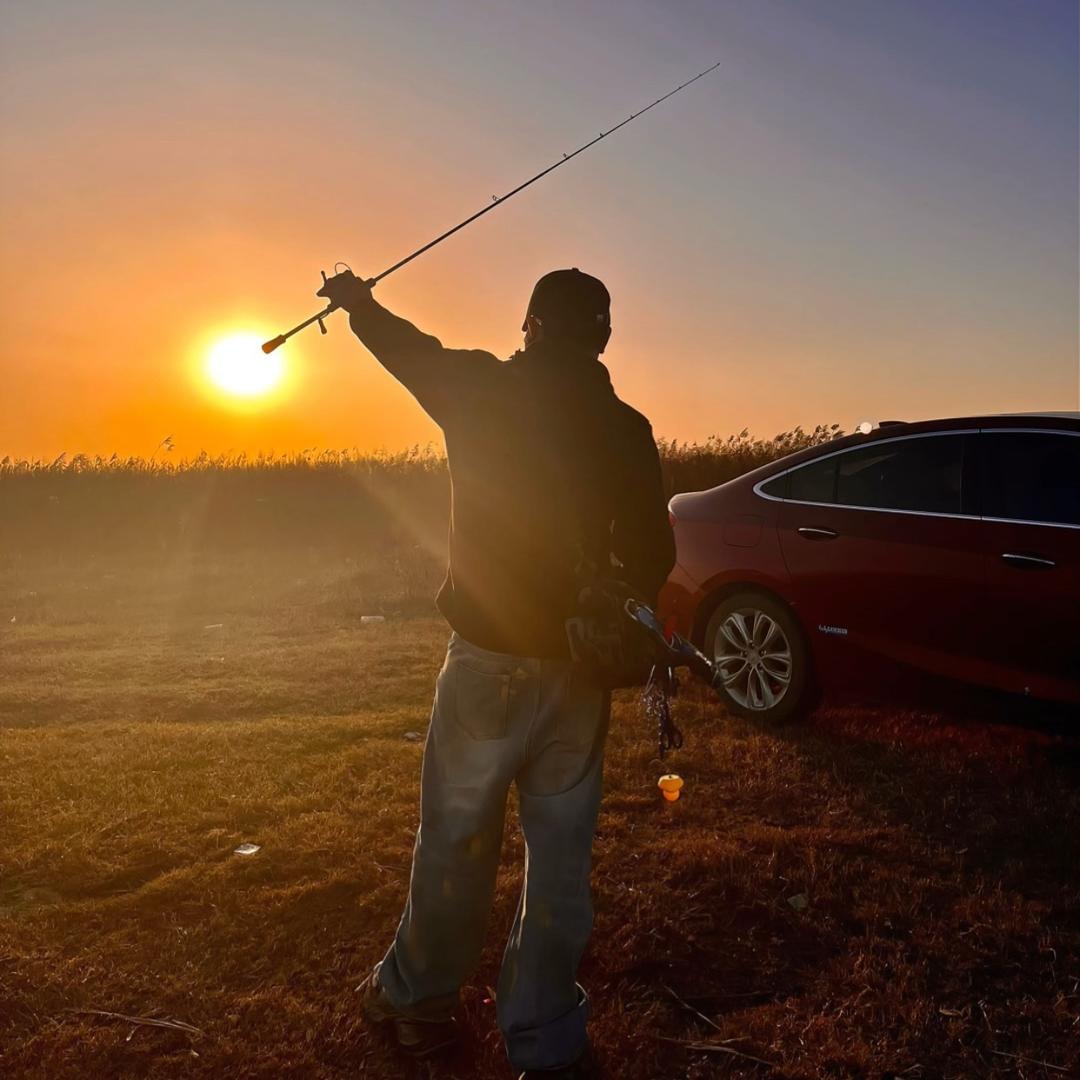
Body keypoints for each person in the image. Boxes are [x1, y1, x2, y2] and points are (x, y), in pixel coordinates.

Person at [317, 267, 675, 1079]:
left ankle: (417, 1007)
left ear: (531, 326)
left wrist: (359, 303)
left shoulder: (480, 389)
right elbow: (655, 552)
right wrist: (616, 600)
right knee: (561, 858)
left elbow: (412, 353)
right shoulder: (627, 426)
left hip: (485, 663)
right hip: (581, 674)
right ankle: (545, 1037)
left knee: (455, 841)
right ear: (605, 338)